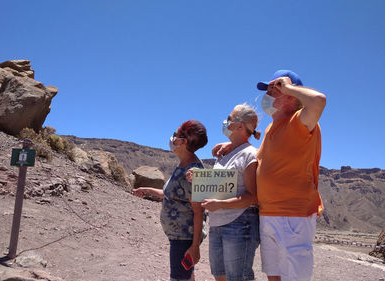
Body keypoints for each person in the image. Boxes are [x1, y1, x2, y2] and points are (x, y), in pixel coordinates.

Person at [213, 70, 326, 281]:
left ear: (292, 97)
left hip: (294, 215)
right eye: (269, 90)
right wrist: (234, 144)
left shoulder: (301, 121)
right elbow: (265, 160)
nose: (268, 95)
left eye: (276, 89)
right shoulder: (271, 128)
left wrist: (290, 87)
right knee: (273, 276)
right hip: (268, 214)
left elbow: (319, 101)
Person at [187, 103, 261, 281]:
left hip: (240, 223)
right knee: (219, 275)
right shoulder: (224, 155)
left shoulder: (250, 154)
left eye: (229, 119)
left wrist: (219, 204)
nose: (225, 122)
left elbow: (253, 196)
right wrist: (199, 178)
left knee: (238, 277)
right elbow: (221, 187)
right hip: (218, 223)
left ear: (241, 126)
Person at [132, 120, 208, 281]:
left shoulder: (193, 173)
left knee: (180, 278)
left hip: (184, 237)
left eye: (176, 135)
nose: (172, 138)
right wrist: (147, 190)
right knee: (187, 276)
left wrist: (194, 248)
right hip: (177, 235)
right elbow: (171, 195)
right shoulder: (183, 166)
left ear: (183, 141)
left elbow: (199, 211)